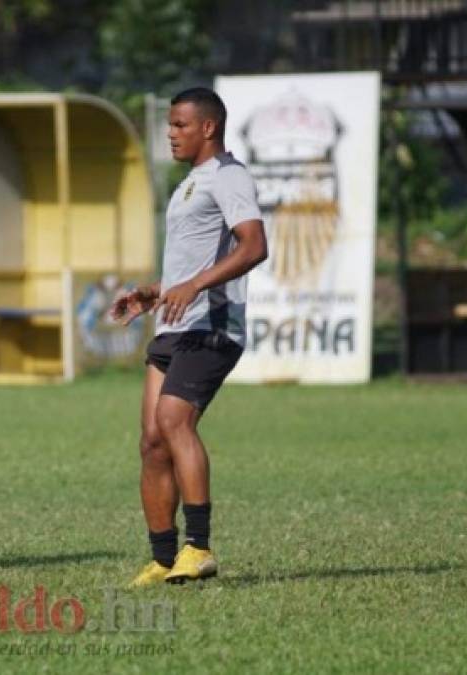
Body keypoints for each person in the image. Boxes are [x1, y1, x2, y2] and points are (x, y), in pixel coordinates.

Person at [111, 87, 267, 586]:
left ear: (208, 127)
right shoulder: (188, 185)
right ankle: (162, 558)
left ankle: (198, 548)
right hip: (174, 325)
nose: (170, 134)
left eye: (179, 125)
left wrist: (196, 285)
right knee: (152, 442)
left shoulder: (229, 176)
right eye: (170, 125)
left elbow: (255, 246)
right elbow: (191, 264)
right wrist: (154, 293)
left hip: (212, 325)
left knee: (174, 421)